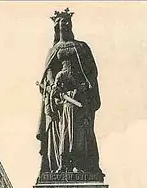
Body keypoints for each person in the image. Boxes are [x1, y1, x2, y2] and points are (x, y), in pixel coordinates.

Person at [36, 8, 103, 178]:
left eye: (66, 22)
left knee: (80, 131)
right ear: (56, 28)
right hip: (61, 99)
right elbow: (49, 73)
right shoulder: (53, 50)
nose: (63, 25)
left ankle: (81, 165)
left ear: (70, 24)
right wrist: (53, 88)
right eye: (60, 23)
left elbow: (91, 71)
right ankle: (62, 164)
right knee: (62, 131)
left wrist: (84, 86)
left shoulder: (81, 47)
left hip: (80, 96)